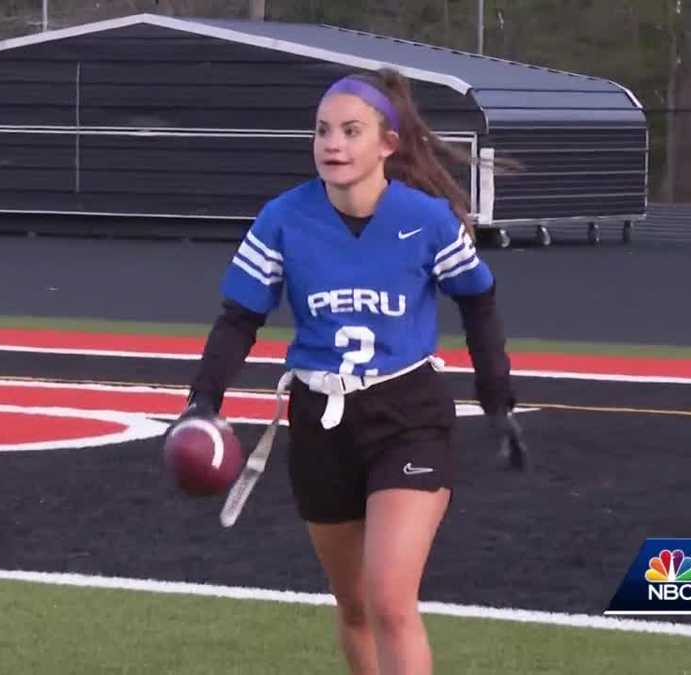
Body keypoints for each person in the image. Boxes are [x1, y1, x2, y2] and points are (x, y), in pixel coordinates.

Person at [173, 68, 527, 675]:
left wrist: (498, 399)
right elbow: (239, 317)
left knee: (390, 599)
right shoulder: (284, 219)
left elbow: (479, 299)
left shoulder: (428, 220)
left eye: (350, 130)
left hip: (406, 415)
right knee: (357, 606)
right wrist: (203, 400)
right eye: (322, 131)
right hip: (320, 422)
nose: (332, 144)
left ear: (387, 144)